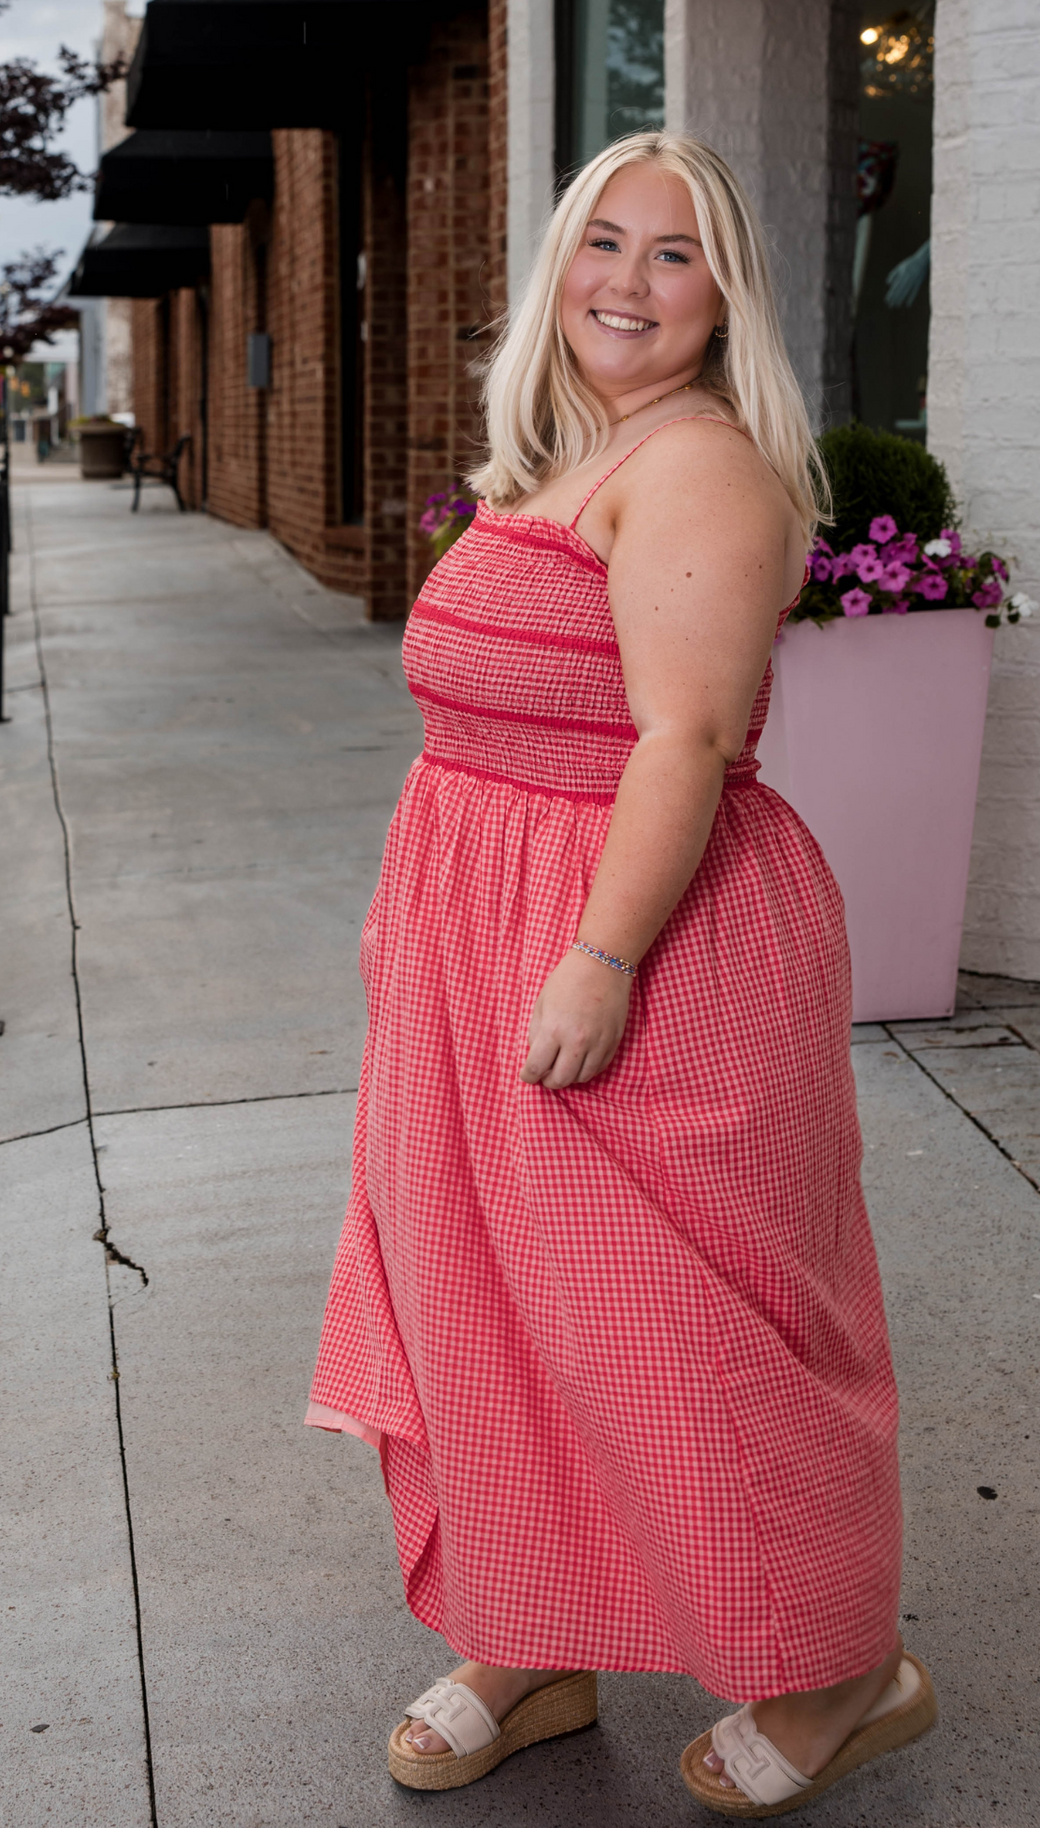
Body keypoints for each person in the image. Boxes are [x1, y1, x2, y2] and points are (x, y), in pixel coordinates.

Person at [306, 130, 935, 1818]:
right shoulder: (573, 456)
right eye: (604, 242)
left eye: (673, 253)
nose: (628, 283)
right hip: (478, 937)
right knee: (495, 1312)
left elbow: (689, 735)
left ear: (723, 293)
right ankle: (532, 1634)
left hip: (635, 945)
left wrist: (596, 959)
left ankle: (839, 1672)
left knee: (686, 1327)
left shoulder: (703, 467)